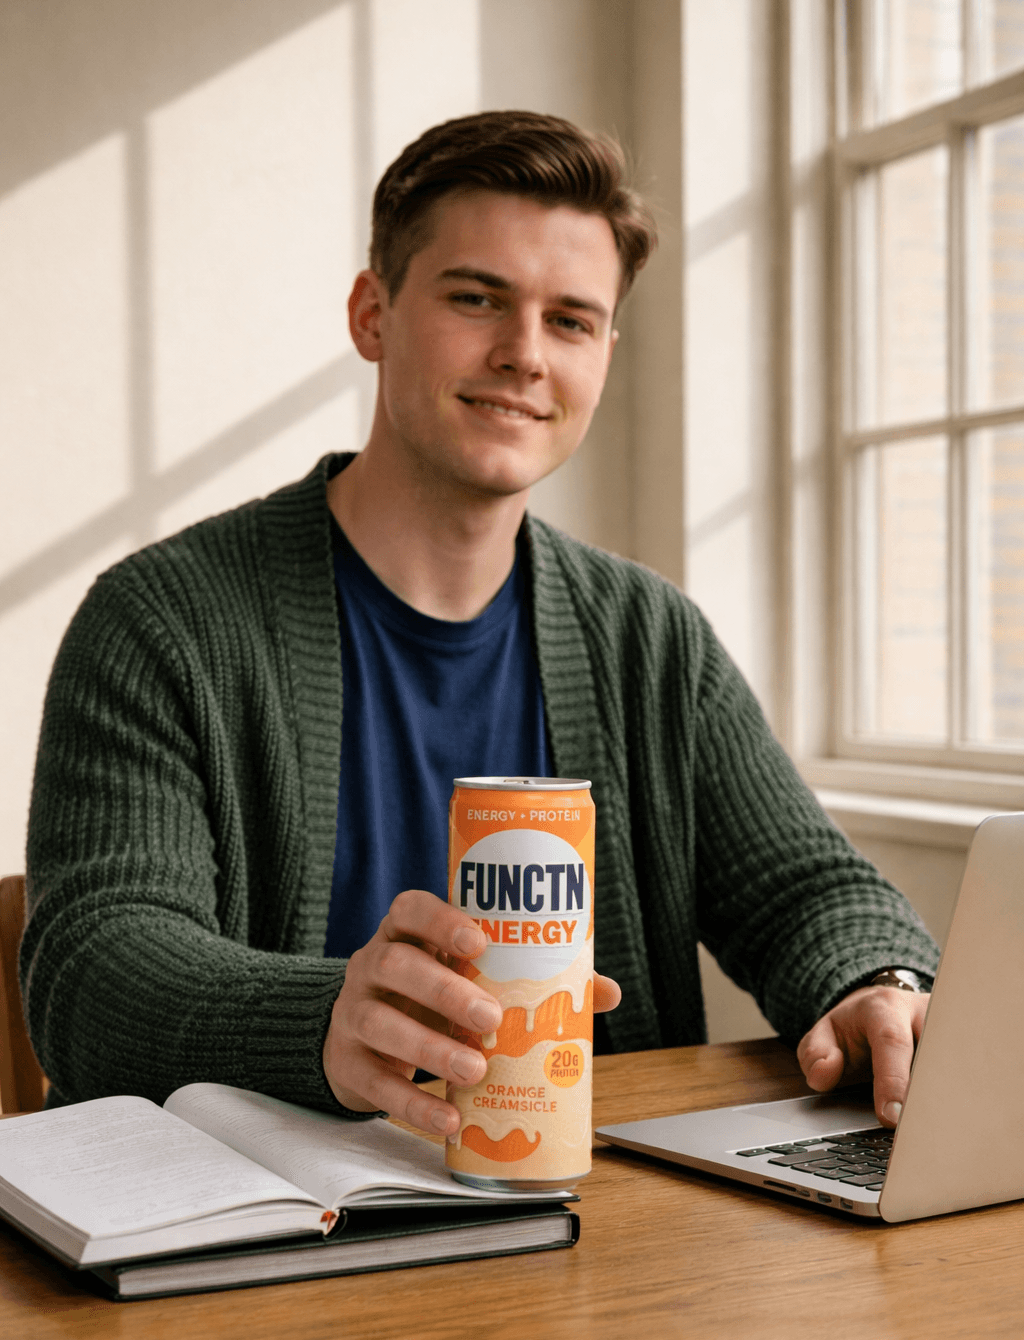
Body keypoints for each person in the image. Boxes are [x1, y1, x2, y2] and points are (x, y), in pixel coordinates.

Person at [22, 111, 938, 1134]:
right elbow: (92, 967)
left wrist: (878, 982)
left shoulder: (651, 638)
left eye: (571, 321)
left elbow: (804, 889)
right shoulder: (162, 621)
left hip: (600, 1210)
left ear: (603, 355)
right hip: (251, 1212)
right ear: (372, 314)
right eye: (476, 298)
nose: (524, 355)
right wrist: (323, 1019)